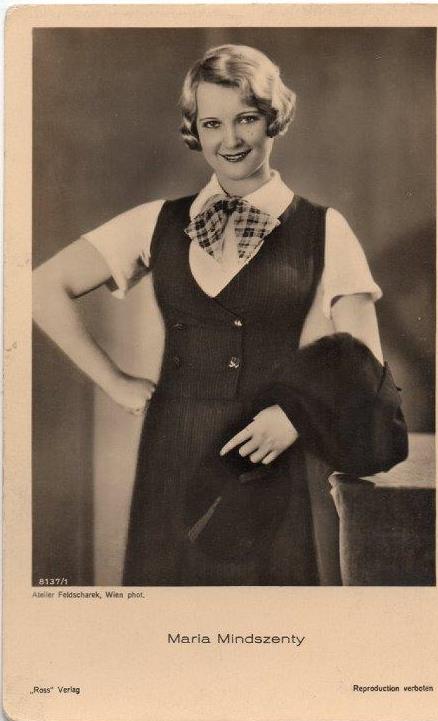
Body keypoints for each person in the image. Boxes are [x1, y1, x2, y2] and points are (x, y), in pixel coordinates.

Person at [33, 44, 385, 586]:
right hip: (171, 452)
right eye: (212, 123)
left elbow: (365, 363)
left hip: (267, 455)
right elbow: (41, 287)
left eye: (247, 118)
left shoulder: (324, 227)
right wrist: (114, 381)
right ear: (194, 130)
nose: (231, 140)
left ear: (273, 119)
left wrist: (298, 417)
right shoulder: (156, 221)